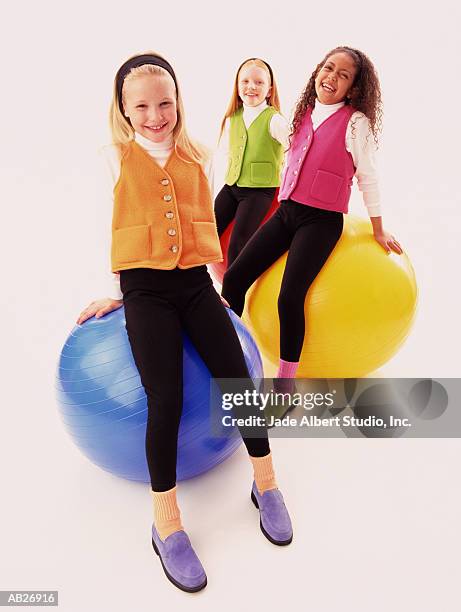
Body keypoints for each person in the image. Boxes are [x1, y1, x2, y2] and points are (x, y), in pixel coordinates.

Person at [76, 52, 292, 594]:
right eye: (142, 105)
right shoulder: (112, 157)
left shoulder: (197, 153)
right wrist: (113, 295)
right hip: (144, 290)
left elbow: (201, 224)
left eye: (165, 102)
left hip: (194, 284)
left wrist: (216, 294)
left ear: (179, 103)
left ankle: (265, 483)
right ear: (124, 110)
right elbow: (106, 224)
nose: (156, 115)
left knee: (239, 381)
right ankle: (166, 522)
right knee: (165, 396)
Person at [222, 46, 403, 394]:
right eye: (328, 68)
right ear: (318, 71)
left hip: (322, 221)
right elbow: (291, 155)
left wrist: (378, 229)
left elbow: (368, 176)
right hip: (289, 212)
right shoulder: (302, 112)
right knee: (234, 277)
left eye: (343, 75)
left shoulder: (355, 122)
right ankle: (229, 357)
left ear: (352, 88)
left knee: (289, 297)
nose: (331, 77)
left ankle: (285, 383)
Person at [214, 58, 289, 268]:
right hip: (232, 186)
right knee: (208, 231)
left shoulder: (275, 120)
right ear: (237, 87)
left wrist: (287, 181)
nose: (251, 87)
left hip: (259, 190)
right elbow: (225, 151)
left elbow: (295, 150)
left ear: (269, 89)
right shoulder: (233, 118)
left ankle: (233, 298)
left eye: (258, 82)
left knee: (238, 244)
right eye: (245, 81)